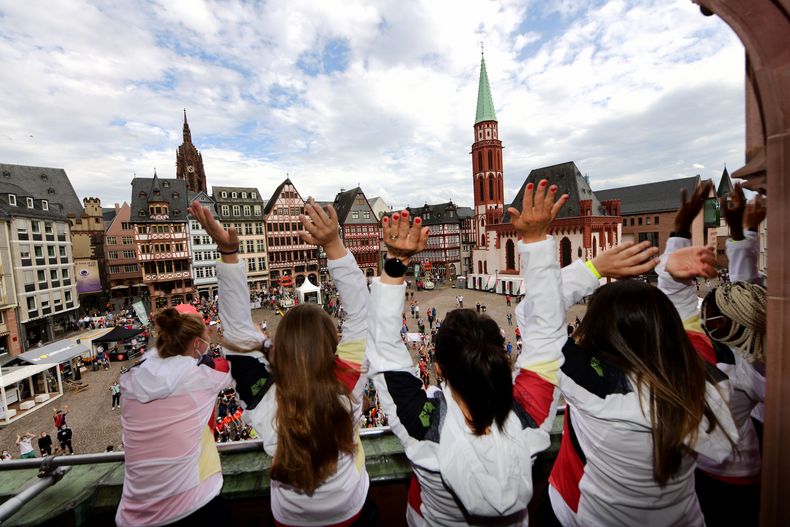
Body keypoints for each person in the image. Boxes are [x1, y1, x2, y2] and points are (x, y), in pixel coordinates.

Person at [497, 181, 737, 526]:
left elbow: (535, 316)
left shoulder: (593, 384)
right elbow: (686, 319)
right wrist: (674, 270)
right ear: (668, 330)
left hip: (583, 515)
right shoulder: (703, 379)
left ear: (597, 328)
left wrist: (594, 269)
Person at [190, 200, 376, 526]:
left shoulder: (265, 399)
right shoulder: (346, 385)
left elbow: (236, 338)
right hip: (350, 507)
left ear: (281, 349)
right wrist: (333, 244)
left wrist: (229, 255)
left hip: (290, 517)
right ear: (333, 346)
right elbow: (361, 316)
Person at [658, 181, 765, 526]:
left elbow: (677, 296)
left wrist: (680, 228)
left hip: (718, 473)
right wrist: (739, 231)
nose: (704, 311)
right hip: (734, 469)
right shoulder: (753, 358)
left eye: (711, 310)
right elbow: (747, 298)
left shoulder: (706, 353)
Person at [115, 302, 232, 526]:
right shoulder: (201, 376)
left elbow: (156, 359)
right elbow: (245, 363)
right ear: (197, 342)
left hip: (133, 514)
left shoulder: (129, 381)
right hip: (193, 502)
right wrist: (224, 338)